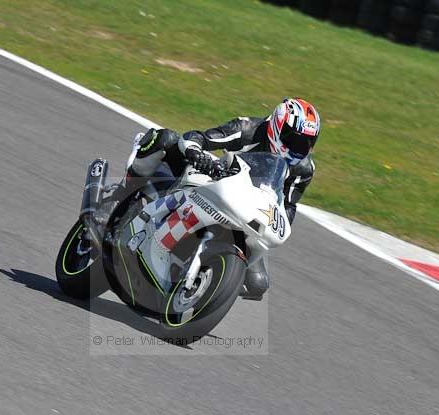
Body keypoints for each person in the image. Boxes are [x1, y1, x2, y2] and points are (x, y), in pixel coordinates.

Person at [125, 98, 321, 300]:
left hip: (249, 209)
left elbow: (288, 204)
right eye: (294, 139)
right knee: (165, 138)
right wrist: (196, 152)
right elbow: (201, 137)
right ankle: (123, 193)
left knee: (257, 283)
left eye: (307, 143)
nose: (299, 147)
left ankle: (199, 294)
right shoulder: (248, 129)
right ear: (278, 127)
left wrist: (280, 222)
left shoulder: (303, 169)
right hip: (215, 179)